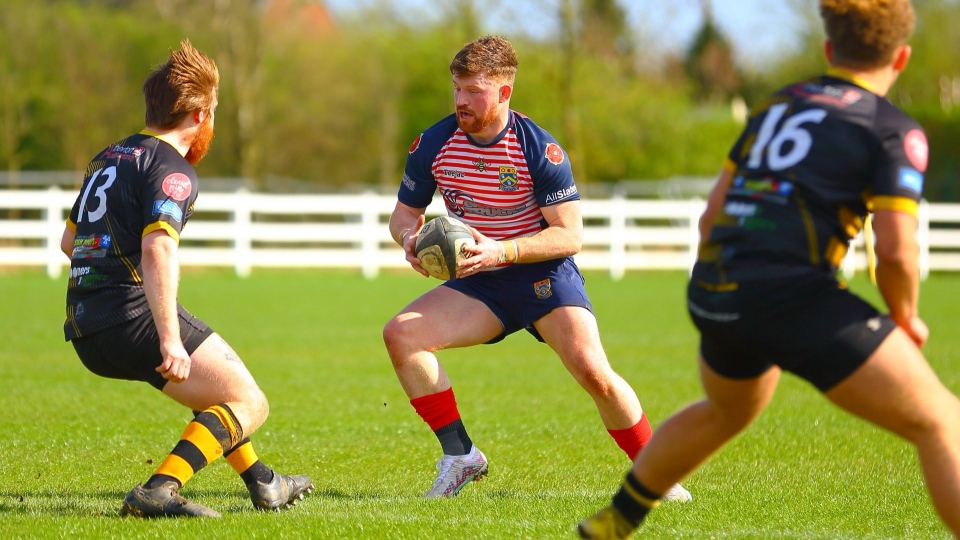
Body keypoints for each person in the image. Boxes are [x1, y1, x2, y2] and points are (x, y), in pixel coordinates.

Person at [578, 1, 960, 538]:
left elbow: (712, 216)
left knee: (725, 411)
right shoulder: (892, 129)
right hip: (792, 294)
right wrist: (908, 316)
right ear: (903, 59)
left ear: (830, 50)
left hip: (714, 286)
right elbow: (896, 252)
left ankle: (614, 522)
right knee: (942, 420)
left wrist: (725, 287)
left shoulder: (779, 105)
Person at [383, 35, 690, 502]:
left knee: (594, 372)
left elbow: (569, 236)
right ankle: (461, 456)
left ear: (504, 93)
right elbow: (403, 216)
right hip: (479, 281)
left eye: (474, 91)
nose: (461, 101)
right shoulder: (433, 144)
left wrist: (503, 251)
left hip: (542, 273)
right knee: (401, 335)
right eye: (457, 89)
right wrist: (409, 239)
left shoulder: (540, 150)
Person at [60, 40, 312, 518]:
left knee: (220, 394)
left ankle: (265, 484)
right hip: (131, 318)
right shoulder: (173, 169)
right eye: (214, 111)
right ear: (199, 115)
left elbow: (69, 244)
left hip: (85, 324)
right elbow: (158, 248)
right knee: (249, 401)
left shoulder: (107, 157)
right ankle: (158, 489)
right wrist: (170, 339)